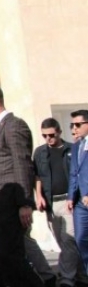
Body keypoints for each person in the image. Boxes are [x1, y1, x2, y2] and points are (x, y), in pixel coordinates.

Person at [0, 83, 43, 287]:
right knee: (5, 258)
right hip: (0, 206)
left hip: (11, 205)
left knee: (13, 258)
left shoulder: (13, 125)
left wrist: (24, 203)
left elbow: (22, 164)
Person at [32, 117, 87, 287]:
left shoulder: (72, 149)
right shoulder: (40, 152)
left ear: (59, 132)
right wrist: (39, 196)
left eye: (51, 135)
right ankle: (82, 277)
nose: (48, 139)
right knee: (63, 243)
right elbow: (37, 176)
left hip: (70, 202)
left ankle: (66, 279)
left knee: (69, 239)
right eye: (44, 136)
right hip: (51, 203)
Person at [68, 109, 88, 277]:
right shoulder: (76, 146)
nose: (74, 128)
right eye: (72, 125)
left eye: (78, 124)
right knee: (80, 239)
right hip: (80, 201)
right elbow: (74, 173)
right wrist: (70, 196)